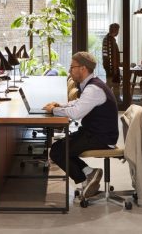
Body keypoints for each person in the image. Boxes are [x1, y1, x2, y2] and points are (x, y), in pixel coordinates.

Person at [43, 51, 119, 198]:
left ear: (83, 68)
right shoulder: (91, 85)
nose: (70, 69)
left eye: (72, 67)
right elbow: (79, 103)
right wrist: (61, 105)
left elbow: (76, 113)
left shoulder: (93, 89)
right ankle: (90, 173)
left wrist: (54, 110)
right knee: (58, 148)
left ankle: (86, 179)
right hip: (94, 132)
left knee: (57, 151)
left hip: (101, 137)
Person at [102, 23, 121, 99]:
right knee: (112, 84)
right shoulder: (109, 40)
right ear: (115, 30)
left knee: (112, 83)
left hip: (111, 66)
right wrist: (115, 68)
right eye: (117, 30)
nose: (118, 32)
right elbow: (110, 55)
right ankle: (113, 100)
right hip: (111, 67)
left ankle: (114, 99)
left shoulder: (109, 39)